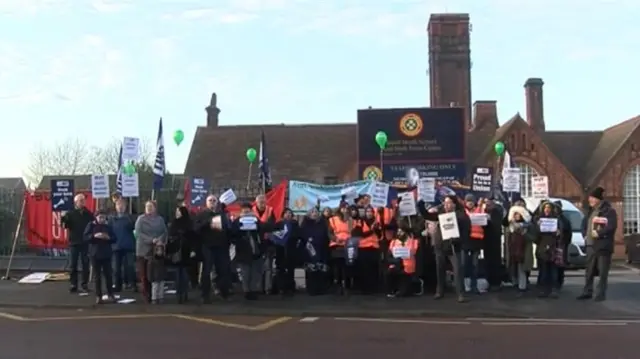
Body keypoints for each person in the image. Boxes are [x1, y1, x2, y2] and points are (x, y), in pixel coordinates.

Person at [421, 196, 469, 303]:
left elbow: (466, 231)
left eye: (448, 203)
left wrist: (458, 240)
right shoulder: (440, 213)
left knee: (457, 271)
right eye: (445, 203)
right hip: (441, 246)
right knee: (440, 270)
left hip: (454, 246)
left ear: (454, 204)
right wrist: (421, 203)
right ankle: (439, 291)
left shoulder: (461, 215)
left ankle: (460, 294)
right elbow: (427, 215)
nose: (446, 205)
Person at [229, 202, 279, 300]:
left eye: (248, 211)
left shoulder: (256, 220)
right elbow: (232, 234)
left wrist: (257, 223)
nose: (246, 213)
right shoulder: (237, 222)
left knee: (255, 272)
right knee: (245, 273)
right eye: (244, 211)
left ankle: (253, 290)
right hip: (243, 252)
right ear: (241, 212)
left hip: (256, 251)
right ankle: (247, 291)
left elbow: (264, 228)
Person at [578, 187, 618, 302]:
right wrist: (584, 235)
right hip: (590, 245)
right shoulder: (590, 211)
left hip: (603, 246)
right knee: (589, 270)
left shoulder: (609, 211)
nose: (590, 200)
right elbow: (584, 225)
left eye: (592, 198)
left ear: (598, 199)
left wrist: (599, 233)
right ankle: (587, 291)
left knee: (602, 272)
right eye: (589, 197)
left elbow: (611, 226)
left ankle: (600, 294)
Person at [194, 195, 231, 302]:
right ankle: (205, 295)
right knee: (206, 272)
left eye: (214, 201)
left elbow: (227, 229)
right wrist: (207, 222)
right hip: (208, 247)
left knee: (223, 270)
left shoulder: (222, 214)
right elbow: (196, 229)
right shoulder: (201, 215)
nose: (212, 202)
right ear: (206, 203)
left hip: (221, 247)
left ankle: (224, 293)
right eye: (210, 200)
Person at [134, 200, 168, 303]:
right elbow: (139, 233)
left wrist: (159, 240)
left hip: (156, 251)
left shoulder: (160, 219)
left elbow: (164, 231)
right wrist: (151, 240)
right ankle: (147, 294)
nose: (149, 208)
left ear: (155, 208)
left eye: (151, 206)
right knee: (144, 274)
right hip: (143, 250)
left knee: (154, 274)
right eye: (147, 206)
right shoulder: (140, 219)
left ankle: (156, 295)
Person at [61, 194, 95, 293]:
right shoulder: (70, 213)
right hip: (74, 242)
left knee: (85, 264)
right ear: (76, 202)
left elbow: (93, 224)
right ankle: (73, 284)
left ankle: (84, 284)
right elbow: (64, 226)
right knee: (73, 265)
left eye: (83, 200)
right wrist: (63, 217)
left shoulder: (88, 213)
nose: (82, 202)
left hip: (85, 242)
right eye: (80, 200)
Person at [83, 210, 116, 304]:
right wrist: (94, 236)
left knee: (108, 275)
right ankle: (99, 295)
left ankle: (110, 294)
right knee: (97, 276)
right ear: (96, 217)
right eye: (100, 217)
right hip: (95, 253)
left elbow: (114, 238)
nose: (101, 219)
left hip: (106, 253)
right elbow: (85, 237)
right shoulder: (91, 225)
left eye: (103, 217)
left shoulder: (108, 226)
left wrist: (108, 238)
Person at [327, 202, 360, 295]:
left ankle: (346, 286)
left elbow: (354, 233)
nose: (344, 210)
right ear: (340, 209)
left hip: (348, 246)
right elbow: (330, 232)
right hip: (337, 245)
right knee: (337, 267)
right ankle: (338, 285)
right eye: (343, 208)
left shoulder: (351, 221)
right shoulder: (333, 219)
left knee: (347, 267)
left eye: (346, 208)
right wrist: (336, 239)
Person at [167, 206, 198, 303]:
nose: (177, 213)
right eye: (176, 211)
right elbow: (170, 235)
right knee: (177, 273)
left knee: (185, 273)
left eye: (179, 211)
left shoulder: (189, 223)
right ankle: (179, 293)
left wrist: (193, 249)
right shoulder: (174, 223)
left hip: (186, 250)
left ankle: (184, 293)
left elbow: (193, 237)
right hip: (176, 250)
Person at [533, 201, 563, 298]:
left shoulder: (556, 220)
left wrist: (559, 233)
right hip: (542, 248)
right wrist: (537, 226)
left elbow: (562, 235)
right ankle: (543, 290)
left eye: (549, 207)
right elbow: (535, 237)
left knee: (553, 270)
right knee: (543, 270)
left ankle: (554, 289)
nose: (547, 209)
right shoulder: (538, 220)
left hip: (553, 248)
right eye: (545, 207)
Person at [385, 222, 422, 298]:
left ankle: (412, 287)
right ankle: (393, 290)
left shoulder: (412, 241)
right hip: (396, 265)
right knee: (389, 273)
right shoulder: (393, 242)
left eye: (401, 231)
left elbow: (415, 253)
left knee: (403, 293)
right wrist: (395, 261)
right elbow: (388, 256)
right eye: (398, 231)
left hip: (408, 267)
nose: (399, 233)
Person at [300, 207, 330, 295]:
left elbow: (326, 235)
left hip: (321, 249)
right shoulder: (305, 224)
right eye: (312, 212)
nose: (314, 213)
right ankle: (311, 289)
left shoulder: (322, 223)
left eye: (316, 212)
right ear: (309, 214)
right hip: (309, 250)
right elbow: (302, 236)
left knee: (320, 270)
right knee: (311, 270)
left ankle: (321, 289)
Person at [506, 204, 534, 296]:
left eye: (518, 214)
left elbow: (532, 237)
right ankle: (516, 284)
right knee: (514, 267)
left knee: (522, 269)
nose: (516, 216)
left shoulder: (528, 226)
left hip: (523, 250)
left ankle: (522, 287)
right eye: (515, 214)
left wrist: (524, 233)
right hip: (513, 250)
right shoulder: (511, 226)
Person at [270, 208, 299, 296]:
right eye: (286, 213)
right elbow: (274, 235)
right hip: (280, 249)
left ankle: (290, 287)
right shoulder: (279, 224)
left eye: (290, 213)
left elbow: (298, 235)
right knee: (280, 269)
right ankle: (281, 287)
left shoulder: (294, 224)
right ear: (283, 215)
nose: (288, 214)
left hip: (291, 249)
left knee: (290, 269)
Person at [110, 198, 136, 292]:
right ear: (115, 206)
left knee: (130, 266)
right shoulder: (112, 219)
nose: (120, 207)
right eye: (118, 205)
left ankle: (132, 284)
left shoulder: (130, 218)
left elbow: (134, 230)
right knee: (116, 268)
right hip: (116, 246)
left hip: (128, 245)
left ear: (125, 207)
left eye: (122, 205)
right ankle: (117, 285)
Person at [252, 194, 276, 294]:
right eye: (260, 202)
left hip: (267, 243)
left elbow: (271, 225)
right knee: (256, 268)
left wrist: (260, 226)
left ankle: (267, 288)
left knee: (268, 268)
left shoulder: (270, 210)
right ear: (256, 202)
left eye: (263, 202)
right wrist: (263, 226)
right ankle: (257, 288)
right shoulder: (251, 211)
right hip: (255, 243)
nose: (262, 204)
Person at [462, 194, 485, 294]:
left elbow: (484, 222)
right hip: (465, 241)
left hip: (476, 241)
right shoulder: (462, 212)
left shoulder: (479, 210)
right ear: (465, 202)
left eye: (471, 201)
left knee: (475, 265)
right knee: (463, 264)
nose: (470, 202)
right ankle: (462, 287)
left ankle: (474, 286)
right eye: (468, 201)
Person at [357, 206, 382, 294]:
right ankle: (364, 288)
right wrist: (372, 230)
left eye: (371, 211)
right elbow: (361, 234)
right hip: (363, 248)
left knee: (374, 268)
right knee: (364, 269)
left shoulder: (376, 222)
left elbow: (379, 235)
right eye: (367, 211)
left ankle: (374, 288)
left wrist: (377, 229)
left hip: (374, 247)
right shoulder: (361, 221)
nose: (369, 213)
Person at [554, 201, 572, 290]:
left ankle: (559, 281)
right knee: (554, 264)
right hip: (554, 244)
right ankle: (555, 282)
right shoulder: (551, 218)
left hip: (561, 244)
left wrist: (565, 242)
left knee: (560, 264)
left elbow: (569, 233)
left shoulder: (564, 220)